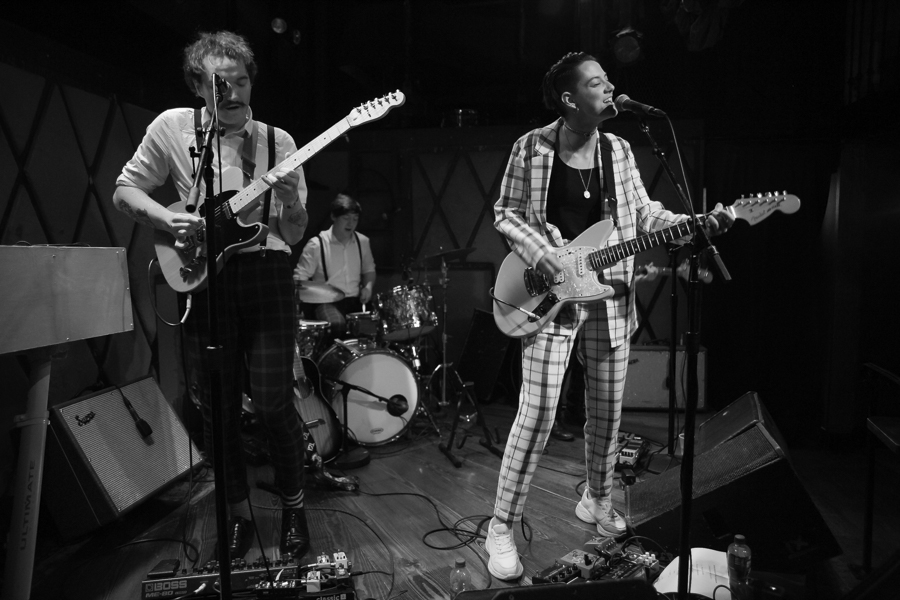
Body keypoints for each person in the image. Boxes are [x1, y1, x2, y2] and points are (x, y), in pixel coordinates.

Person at [485, 52, 734, 580]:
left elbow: (644, 214)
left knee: (606, 412)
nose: (609, 87)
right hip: (550, 299)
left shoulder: (618, 149)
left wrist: (693, 223)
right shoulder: (531, 147)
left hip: (610, 295)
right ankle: (501, 524)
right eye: (596, 82)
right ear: (570, 99)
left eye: (607, 80)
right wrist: (542, 254)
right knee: (538, 413)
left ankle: (597, 498)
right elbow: (506, 213)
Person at [113, 31, 311, 561]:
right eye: (222, 84)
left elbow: (294, 232)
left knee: (273, 403)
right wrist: (167, 218)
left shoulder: (280, 142)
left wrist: (291, 203)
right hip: (204, 276)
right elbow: (124, 189)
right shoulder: (173, 128)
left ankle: (295, 507)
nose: (235, 93)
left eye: (243, 81)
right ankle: (237, 515)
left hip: (267, 271)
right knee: (216, 409)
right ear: (198, 86)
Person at [293, 193, 377, 340]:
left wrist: (368, 288)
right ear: (333, 217)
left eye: (355, 219)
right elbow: (300, 279)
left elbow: (369, 270)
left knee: (374, 325)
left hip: (355, 300)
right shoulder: (317, 244)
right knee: (337, 324)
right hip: (327, 302)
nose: (351, 223)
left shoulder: (362, 242)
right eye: (346, 218)